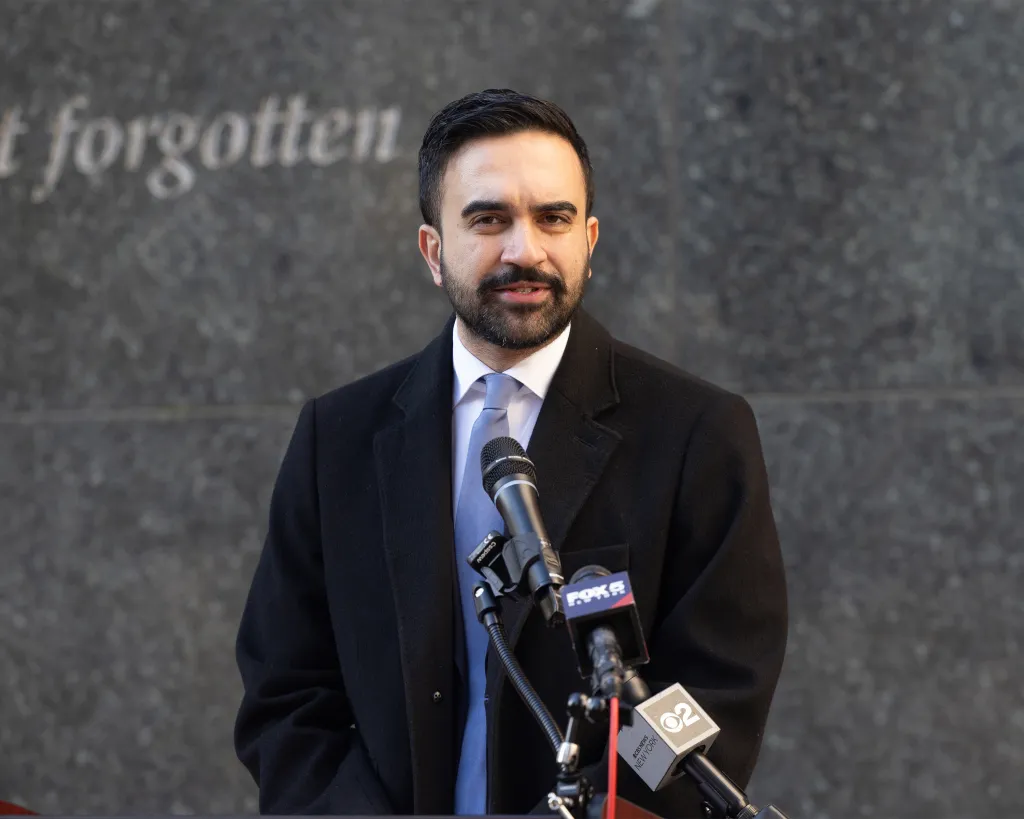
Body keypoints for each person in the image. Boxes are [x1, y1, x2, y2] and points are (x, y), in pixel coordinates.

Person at [234, 88, 788, 817]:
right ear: (434, 251)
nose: (525, 250)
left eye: (553, 218)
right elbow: (287, 692)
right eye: (489, 219)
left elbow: (713, 690)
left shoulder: (696, 432)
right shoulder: (335, 440)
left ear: (589, 240)